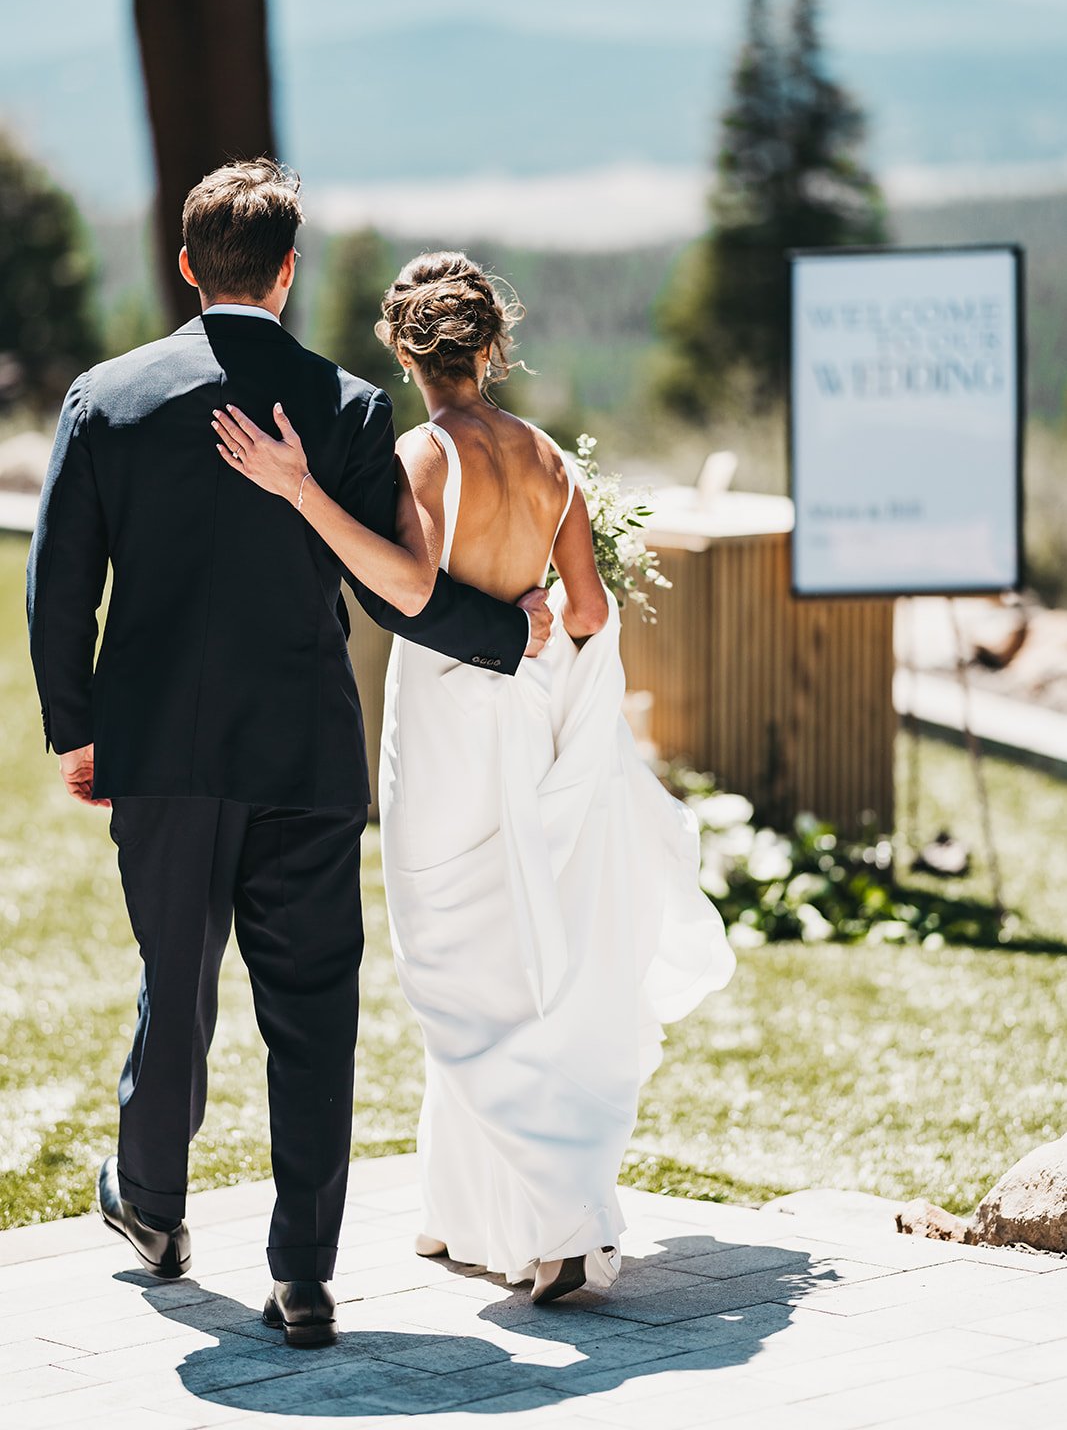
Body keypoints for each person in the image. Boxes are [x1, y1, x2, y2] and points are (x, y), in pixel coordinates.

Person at [26, 162, 552, 1350]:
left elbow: (59, 590)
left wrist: (80, 730)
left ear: (184, 266)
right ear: (287, 270)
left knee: (178, 979)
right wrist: (506, 634)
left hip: (157, 756)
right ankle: (303, 1277)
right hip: (306, 757)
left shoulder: (104, 400)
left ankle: (153, 1214)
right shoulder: (351, 408)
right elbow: (403, 594)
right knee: (310, 1012)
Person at [214, 250, 735, 1306]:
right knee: (503, 947)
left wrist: (303, 490)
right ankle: (463, 1212)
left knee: (447, 960)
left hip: (448, 711)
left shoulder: (420, 454)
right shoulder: (549, 457)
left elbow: (406, 586)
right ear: (491, 346)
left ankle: (565, 1216)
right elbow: (584, 615)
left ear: (404, 348)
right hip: (530, 713)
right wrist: (532, 604)